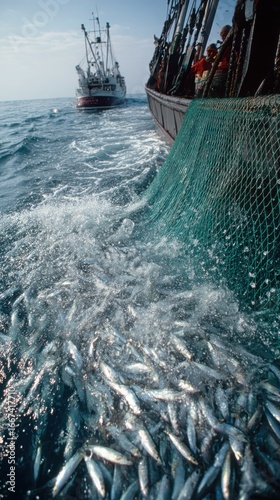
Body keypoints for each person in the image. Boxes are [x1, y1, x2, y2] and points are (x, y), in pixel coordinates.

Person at [210, 25, 232, 97]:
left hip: (225, 76)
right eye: (221, 36)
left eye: (224, 35)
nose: (222, 38)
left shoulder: (230, 46)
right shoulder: (224, 46)